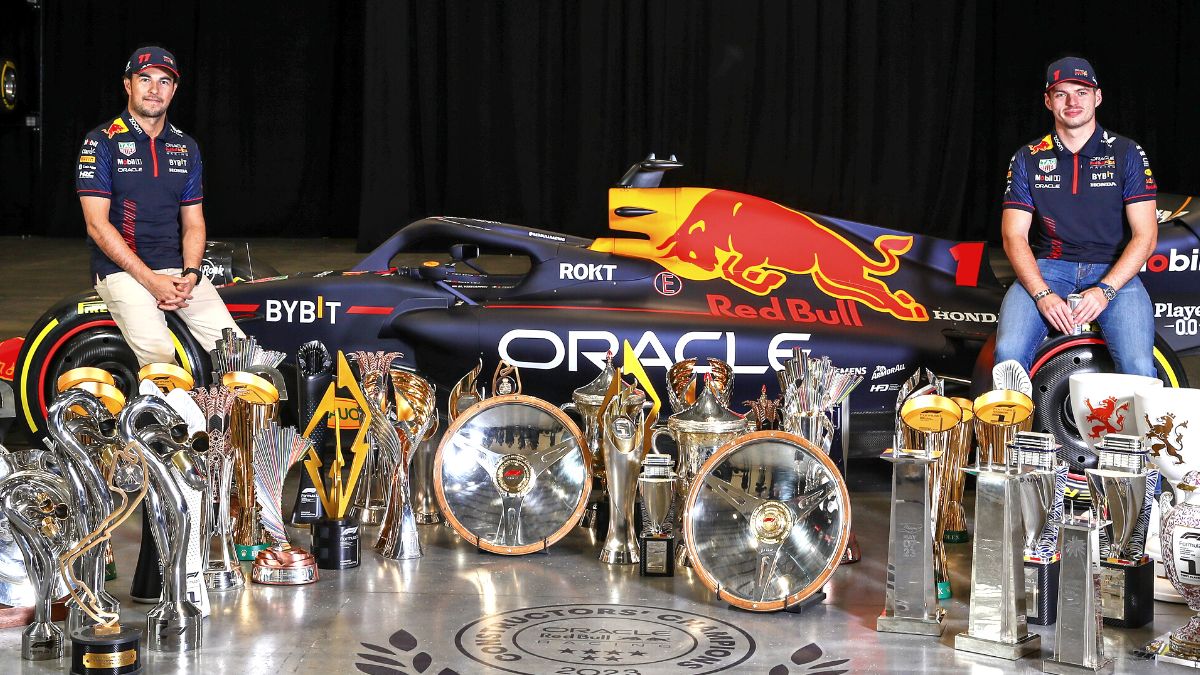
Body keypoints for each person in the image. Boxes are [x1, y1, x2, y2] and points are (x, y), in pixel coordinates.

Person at [75, 46, 243, 367]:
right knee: (161, 358)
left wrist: (192, 273)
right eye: (145, 79)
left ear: (174, 89)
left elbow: (194, 223)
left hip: (177, 271)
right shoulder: (100, 142)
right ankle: (157, 416)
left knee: (238, 352)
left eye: (164, 81)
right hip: (121, 271)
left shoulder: (186, 146)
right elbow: (97, 225)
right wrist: (150, 280)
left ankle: (224, 416)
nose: (155, 90)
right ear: (128, 85)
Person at [995, 56, 1158, 378]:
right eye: (1061, 93)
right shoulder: (1028, 157)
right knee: (1008, 355)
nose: (1072, 102)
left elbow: (1146, 236)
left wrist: (1106, 290)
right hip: (1049, 268)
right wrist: (1042, 294)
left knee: (1139, 367)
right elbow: (1014, 236)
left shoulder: (1126, 152)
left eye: (1082, 92)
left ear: (1097, 97)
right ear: (1048, 101)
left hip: (1113, 271)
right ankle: (1012, 430)